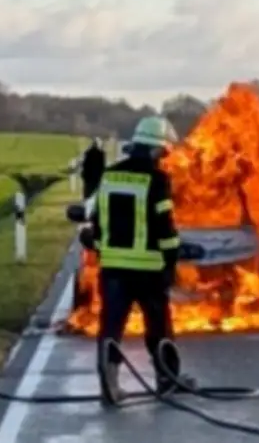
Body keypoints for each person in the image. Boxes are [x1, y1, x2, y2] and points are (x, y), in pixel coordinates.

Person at [79, 115, 194, 406]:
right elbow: (164, 227)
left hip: (114, 269)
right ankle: (167, 380)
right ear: (157, 149)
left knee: (111, 326)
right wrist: (172, 261)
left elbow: (98, 221)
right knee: (158, 327)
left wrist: (101, 248)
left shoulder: (110, 176)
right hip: (148, 270)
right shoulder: (157, 180)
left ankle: (110, 382)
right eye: (164, 152)